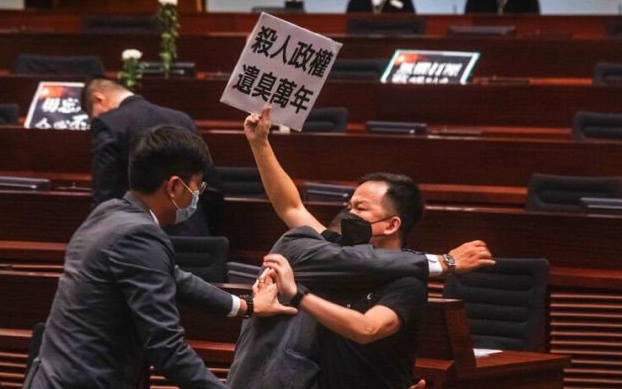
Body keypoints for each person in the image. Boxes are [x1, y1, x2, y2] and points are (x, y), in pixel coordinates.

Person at [227, 106, 495, 388]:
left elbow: (368, 328)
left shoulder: (407, 282)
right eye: (349, 205)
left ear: (391, 225)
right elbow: (290, 205)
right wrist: (260, 143)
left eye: (360, 208)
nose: (348, 214)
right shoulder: (336, 254)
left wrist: (299, 296)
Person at [28, 125, 296, 389]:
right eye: (197, 187)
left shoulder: (108, 213)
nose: (197, 197)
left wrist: (246, 305)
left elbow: (176, 278)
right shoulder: (140, 235)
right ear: (175, 187)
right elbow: (167, 349)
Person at [85, 77, 222, 235]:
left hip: (134, 235)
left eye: (92, 114)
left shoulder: (107, 123)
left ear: (98, 99)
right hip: (192, 235)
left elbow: (104, 192)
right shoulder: (181, 118)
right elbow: (211, 183)